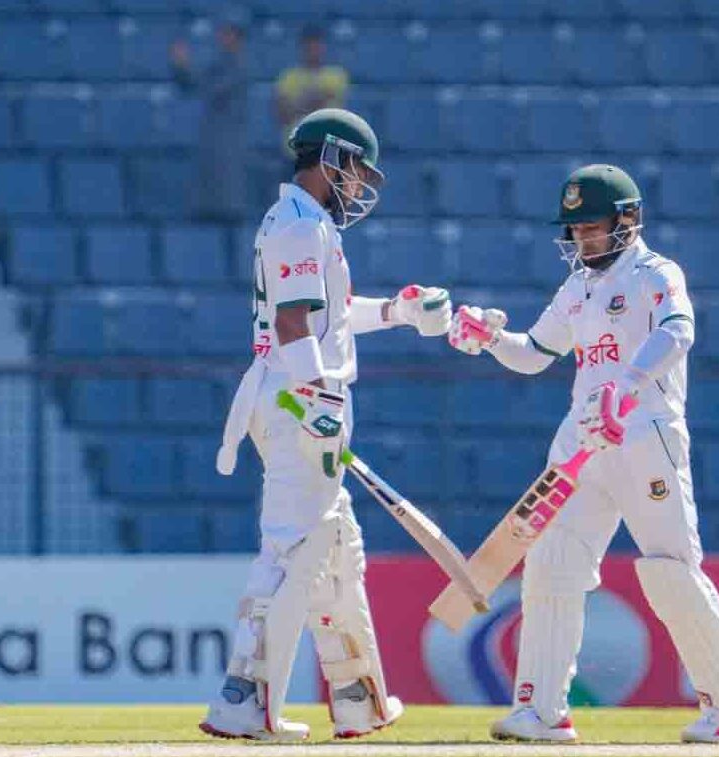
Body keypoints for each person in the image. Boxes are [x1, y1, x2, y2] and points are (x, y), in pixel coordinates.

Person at [448, 165, 719, 744]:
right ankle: (541, 711)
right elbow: (534, 354)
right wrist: (491, 339)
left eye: (593, 227)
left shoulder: (656, 273)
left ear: (628, 220)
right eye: (576, 230)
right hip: (581, 439)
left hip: (643, 435)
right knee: (551, 565)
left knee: (669, 570)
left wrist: (626, 387)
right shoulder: (576, 288)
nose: (583, 239)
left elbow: (678, 331)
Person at [201, 108, 452, 742]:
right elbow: (292, 325)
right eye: (357, 170)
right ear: (334, 159)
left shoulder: (306, 223)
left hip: (304, 399)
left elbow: (327, 318)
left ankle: (357, 699)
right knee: (290, 547)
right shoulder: (297, 226)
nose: (360, 184)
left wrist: (396, 311)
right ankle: (242, 700)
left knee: (336, 550)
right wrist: (317, 400)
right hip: (299, 401)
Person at [170, 8, 250, 221]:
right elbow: (191, 84)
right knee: (208, 206)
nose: (226, 37)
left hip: (229, 145)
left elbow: (210, 88)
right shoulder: (217, 63)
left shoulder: (240, 66)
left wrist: (186, 66)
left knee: (228, 206)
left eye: (232, 33)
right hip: (212, 143)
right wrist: (180, 66)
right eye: (225, 32)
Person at [275, 25, 350, 156]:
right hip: (295, 152)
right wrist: (313, 100)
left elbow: (324, 105)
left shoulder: (336, 75)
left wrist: (299, 103)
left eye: (317, 46)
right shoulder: (287, 78)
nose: (313, 50)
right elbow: (283, 114)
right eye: (309, 46)